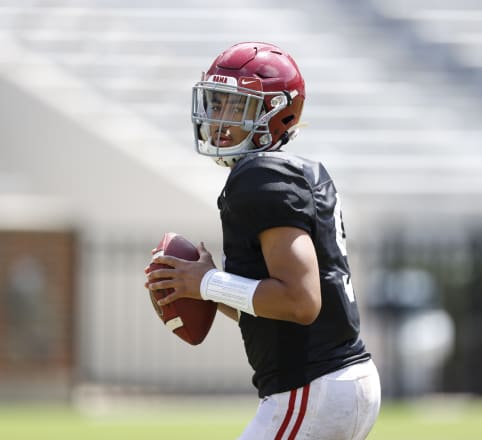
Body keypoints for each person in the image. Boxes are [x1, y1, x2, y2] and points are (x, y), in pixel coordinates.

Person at [145, 41, 381, 440]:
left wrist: (206, 283)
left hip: (311, 386)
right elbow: (276, 309)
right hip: (335, 379)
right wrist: (211, 290)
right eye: (217, 103)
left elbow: (301, 302)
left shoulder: (259, 177)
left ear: (278, 112)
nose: (219, 118)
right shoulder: (297, 172)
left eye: (237, 107)